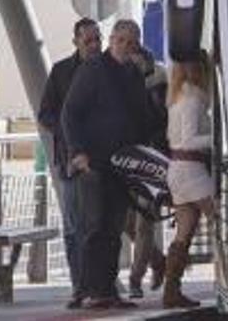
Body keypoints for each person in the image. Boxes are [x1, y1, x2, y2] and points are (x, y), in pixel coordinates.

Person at [62, 19, 153, 310]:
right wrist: (78, 153)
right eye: (121, 40)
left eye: (132, 42)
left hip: (122, 163)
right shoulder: (93, 70)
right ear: (112, 40)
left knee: (113, 228)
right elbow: (70, 113)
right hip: (94, 162)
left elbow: (144, 116)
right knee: (94, 226)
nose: (126, 46)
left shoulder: (133, 73)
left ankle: (108, 290)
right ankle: (89, 290)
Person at [37, 17, 103, 309]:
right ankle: (80, 286)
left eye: (97, 39)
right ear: (75, 41)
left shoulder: (109, 69)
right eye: (88, 40)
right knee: (75, 226)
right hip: (71, 161)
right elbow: (46, 114)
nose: (93, 45)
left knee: (102, 226)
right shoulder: (62, 72)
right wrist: (67, 132)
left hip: (104, 159)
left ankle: (102, 284)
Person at [163, 52, 215, 308]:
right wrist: (217, 138)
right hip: (191, 169)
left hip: (177, 169)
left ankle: (171, 290)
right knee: (223, 219)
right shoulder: (193, 99)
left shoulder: (177, 97)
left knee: (184, 232)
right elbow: (188, 140)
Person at [124, 44, 167, 299]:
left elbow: (163, 121)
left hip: (151, 161)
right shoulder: (120, 86)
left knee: (144, 224)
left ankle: (135, 279)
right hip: (127, 160)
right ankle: (158, 260)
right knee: (126, 223)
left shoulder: (159, 84)